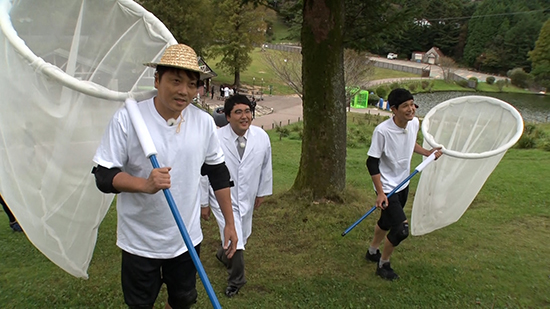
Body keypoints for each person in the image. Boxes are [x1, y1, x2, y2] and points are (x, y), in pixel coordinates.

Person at [91, 44, 238, 309]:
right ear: (157, 80)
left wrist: (229, 222)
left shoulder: (203, 123)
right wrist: (144, 184)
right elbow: (103, 176)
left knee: (182, 301)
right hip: (139, 241)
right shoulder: (128, 119)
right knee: (139, 304)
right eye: (176, 81)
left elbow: (218, 173)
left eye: (192, 84)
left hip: (186, 239)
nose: (184, 91)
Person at [364, 88, 441, 281]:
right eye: (405, 106)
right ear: (394, 109)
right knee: (400, 229)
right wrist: (380, 193)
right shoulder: (382, 131)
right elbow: (371, 162)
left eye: (412, 104)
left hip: (403, 183)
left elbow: (410, 143)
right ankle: (384, 265)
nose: (411, 109)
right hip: (388, 188)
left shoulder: (413, 122)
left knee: (386, 222)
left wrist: (427, 153)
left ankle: (372, 251)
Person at [201, 94, 272, 297]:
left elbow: (266, 167)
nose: (244, 116)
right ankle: (237, 280)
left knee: (243, 232)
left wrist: (262, 191)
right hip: (221, 196)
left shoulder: (261, 137)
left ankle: (223, 254)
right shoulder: (215, 138)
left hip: (247, 194)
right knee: (236, 238)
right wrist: (204, 202)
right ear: (228, 116)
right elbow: (204, 173)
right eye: (238, 112)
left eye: (248, 111)